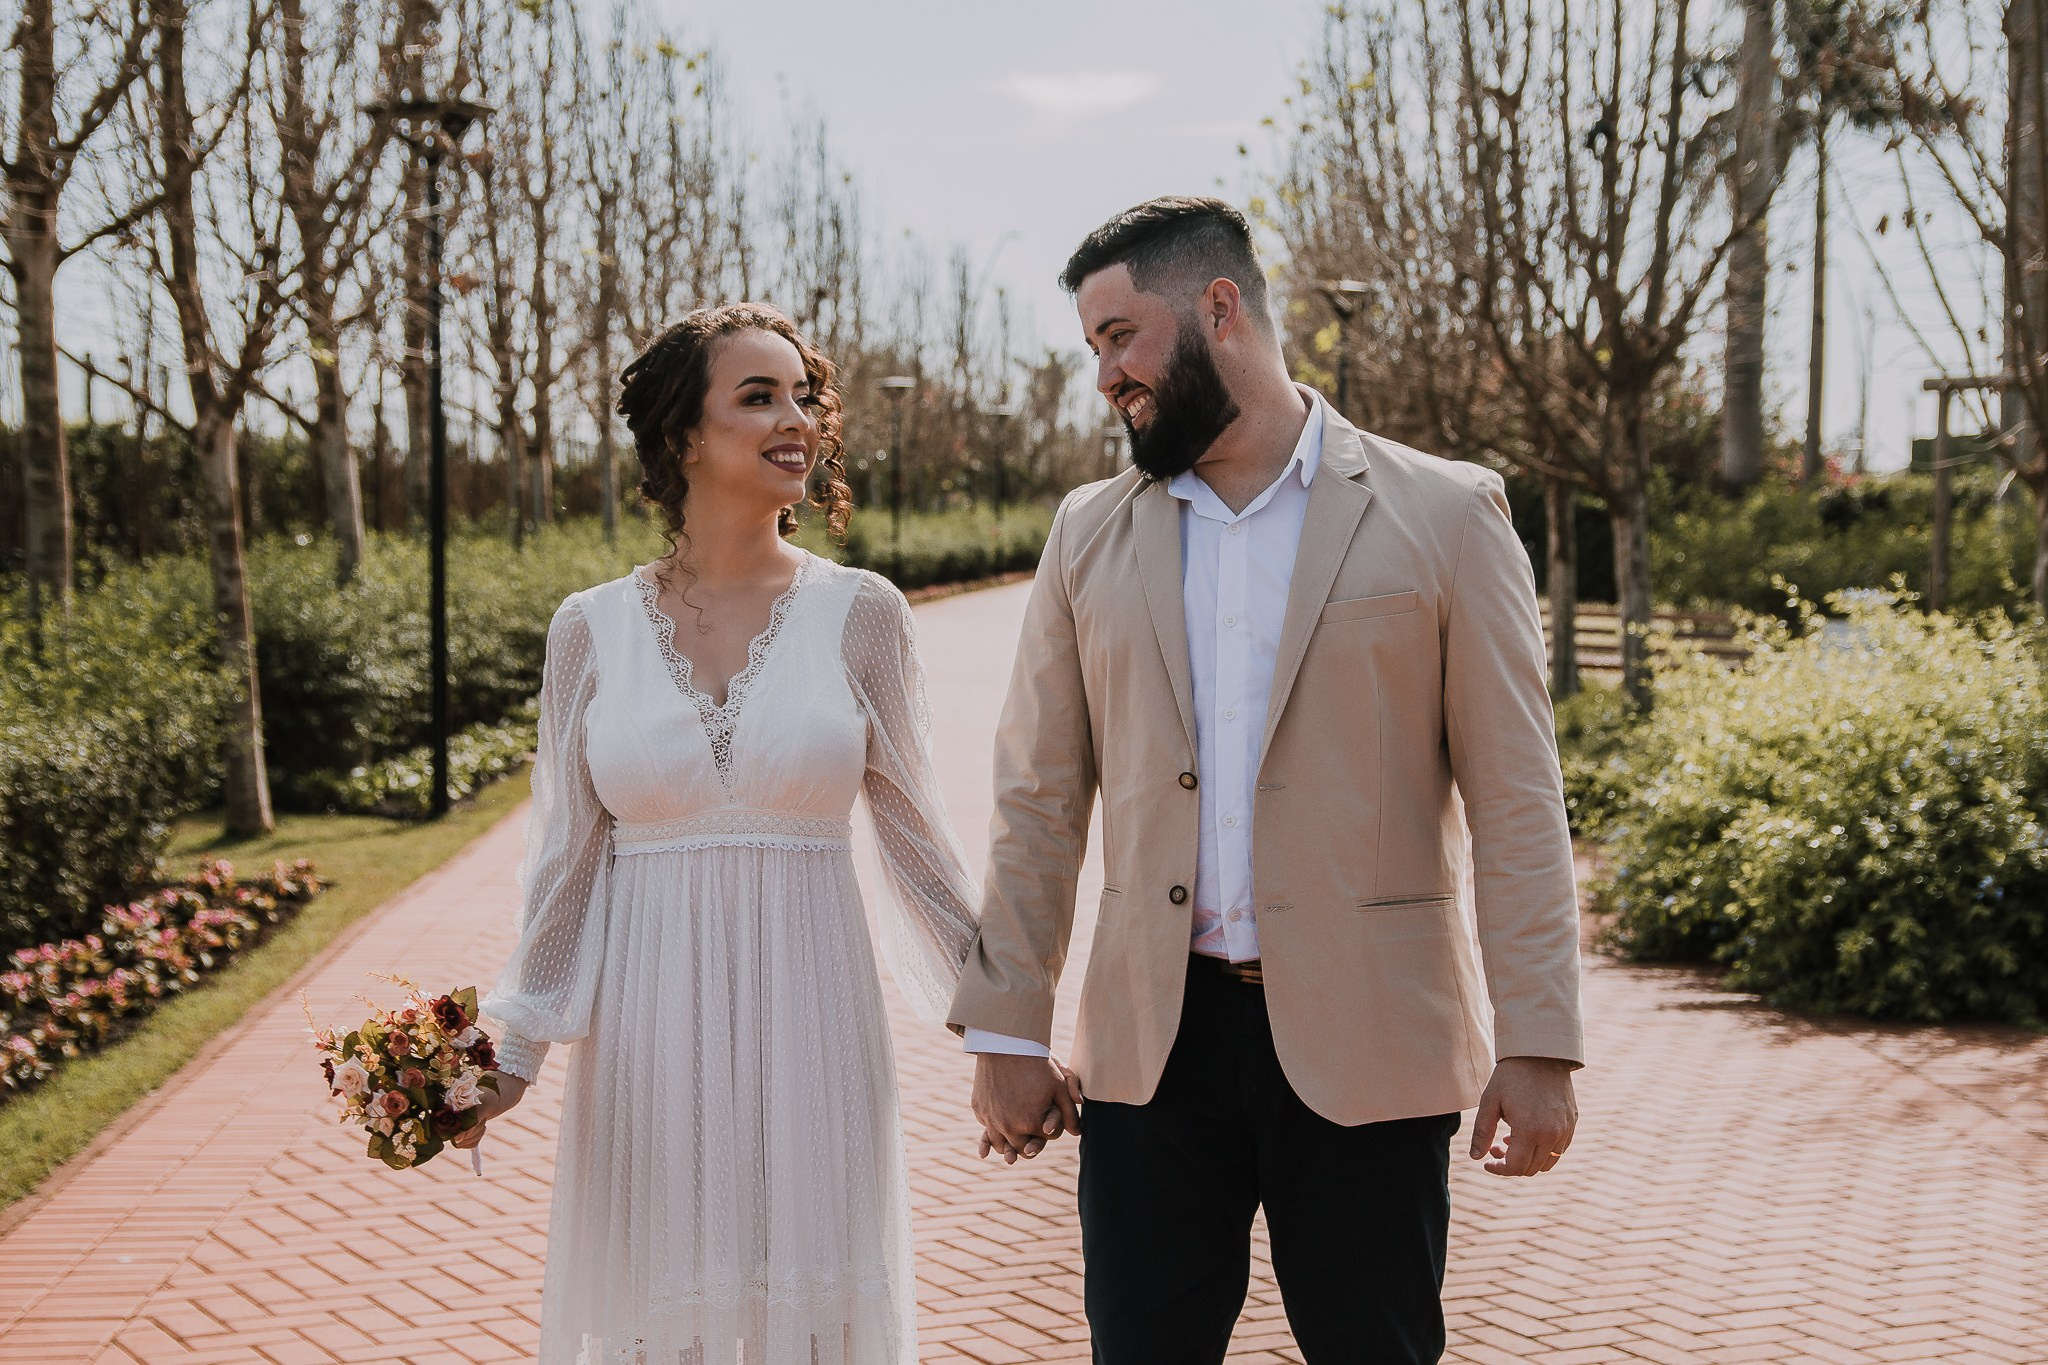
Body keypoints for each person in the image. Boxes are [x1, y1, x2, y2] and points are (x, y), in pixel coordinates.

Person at [948, 197, 1586, 1364]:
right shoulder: (1086, 533)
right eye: (1092, 347)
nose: (1105, 376)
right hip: (1152, 1052)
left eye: (1118, 336)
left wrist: (1537, 1038)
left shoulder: (1445, 513)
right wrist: (1006, 1023)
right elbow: (1037, 795)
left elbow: (1515, 798)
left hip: (1371, 1045)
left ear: (1218, 310)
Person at [460, 302, 981, 1365]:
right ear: (681, 437)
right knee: (663, 1326)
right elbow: (563, 863)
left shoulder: (862, 613)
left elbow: (920, 846)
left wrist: (1004, 1028)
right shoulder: (588, 629)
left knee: (818, 1320)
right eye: (758, 396)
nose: (797, 418)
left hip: (815, 1028)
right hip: (647, 1041)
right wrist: (502, 1057)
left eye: (803, 396)